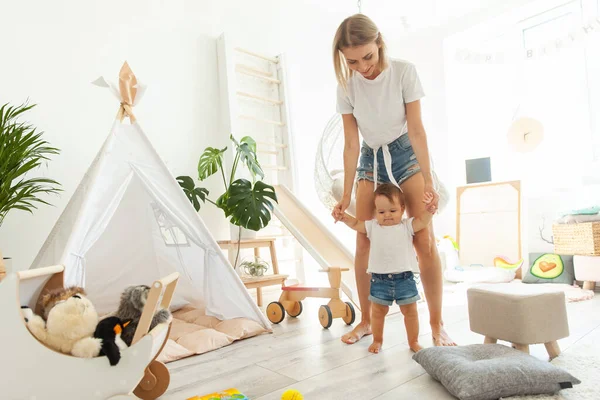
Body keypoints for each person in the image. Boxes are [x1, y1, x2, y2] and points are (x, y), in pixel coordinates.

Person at [331, 13, 456, 347]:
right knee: (363, 241)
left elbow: (415, 129)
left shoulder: (404, 72)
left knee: (424, 239)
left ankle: (436, 324)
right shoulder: (347, 85)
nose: (362, 67)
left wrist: (428, 181)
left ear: (379, 42)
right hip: (370, 158)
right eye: (352, 61)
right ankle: (368, 322)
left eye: (367, 57)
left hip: (403, 153)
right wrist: (345, 195)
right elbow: (351, 144)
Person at [334, 183, 435, 353]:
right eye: (381, 212)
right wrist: (344, 218)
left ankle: (413, 341)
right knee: (378, 313)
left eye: (392, 211)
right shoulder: (373, 226)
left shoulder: (406, 226)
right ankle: (378, 340)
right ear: (375, 212)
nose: (387, 215)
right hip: (379, 280)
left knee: (410, 312)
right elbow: (356, 224)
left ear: (402, 209)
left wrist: (430, 210)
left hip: (405, 279)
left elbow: (422, 221)